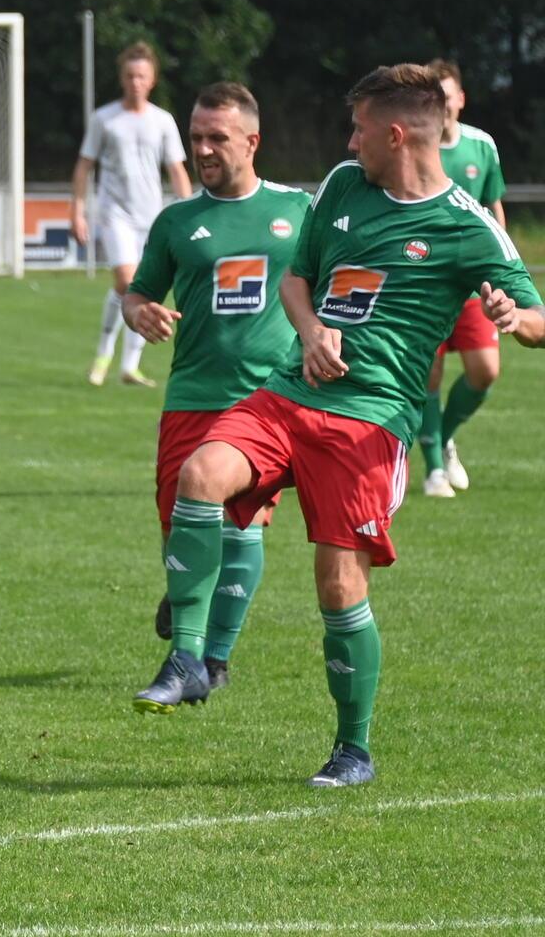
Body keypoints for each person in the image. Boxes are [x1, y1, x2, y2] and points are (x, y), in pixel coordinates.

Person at [131, 65, 543, 788]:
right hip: (288, 395)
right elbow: (297, 278)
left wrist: (517, 319)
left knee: (338, 587)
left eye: (358, 128)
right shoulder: (345, 186)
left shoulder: (463, 224)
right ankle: (191, 658)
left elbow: (538, 313)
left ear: (395, 134)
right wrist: (312, 329)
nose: (347, 140)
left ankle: (353, 747)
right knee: (201, 475)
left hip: (368, 421)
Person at [122, 82, 309, 692]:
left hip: (264, 399)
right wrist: (140, 311)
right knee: (180, 525)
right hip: (191, 395)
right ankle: (188, 598)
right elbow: (138, 292)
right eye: (195, 137)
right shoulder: (177, 221)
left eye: (215, 138)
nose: (201, 149)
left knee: (243, 525)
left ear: (252, 142)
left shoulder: (299, 211)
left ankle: (209, 659)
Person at [71, 42, 193, 387]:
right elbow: (84, 166)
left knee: (144, 289)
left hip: (151, 216)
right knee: (127, 282)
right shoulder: (105, 119)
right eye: (129, 75)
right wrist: (77, 211)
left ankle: (129, 366)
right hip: (115, 213)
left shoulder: (163, 121)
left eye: (141, 76)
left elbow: (177, 170)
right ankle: (104, 353)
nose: (135, 82)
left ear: (151, 80)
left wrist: (188, 211)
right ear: (121, 79)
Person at [417, 59, 508, 497]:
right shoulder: (417, 144)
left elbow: (493, 207)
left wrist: (501, 263)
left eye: (447, 94)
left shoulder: (482, 145)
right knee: (428, 373)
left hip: (473, 283)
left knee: (485, 372)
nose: (442, 102)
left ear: (460, 99)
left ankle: (444, 435)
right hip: (426, 282)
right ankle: (433, 466)